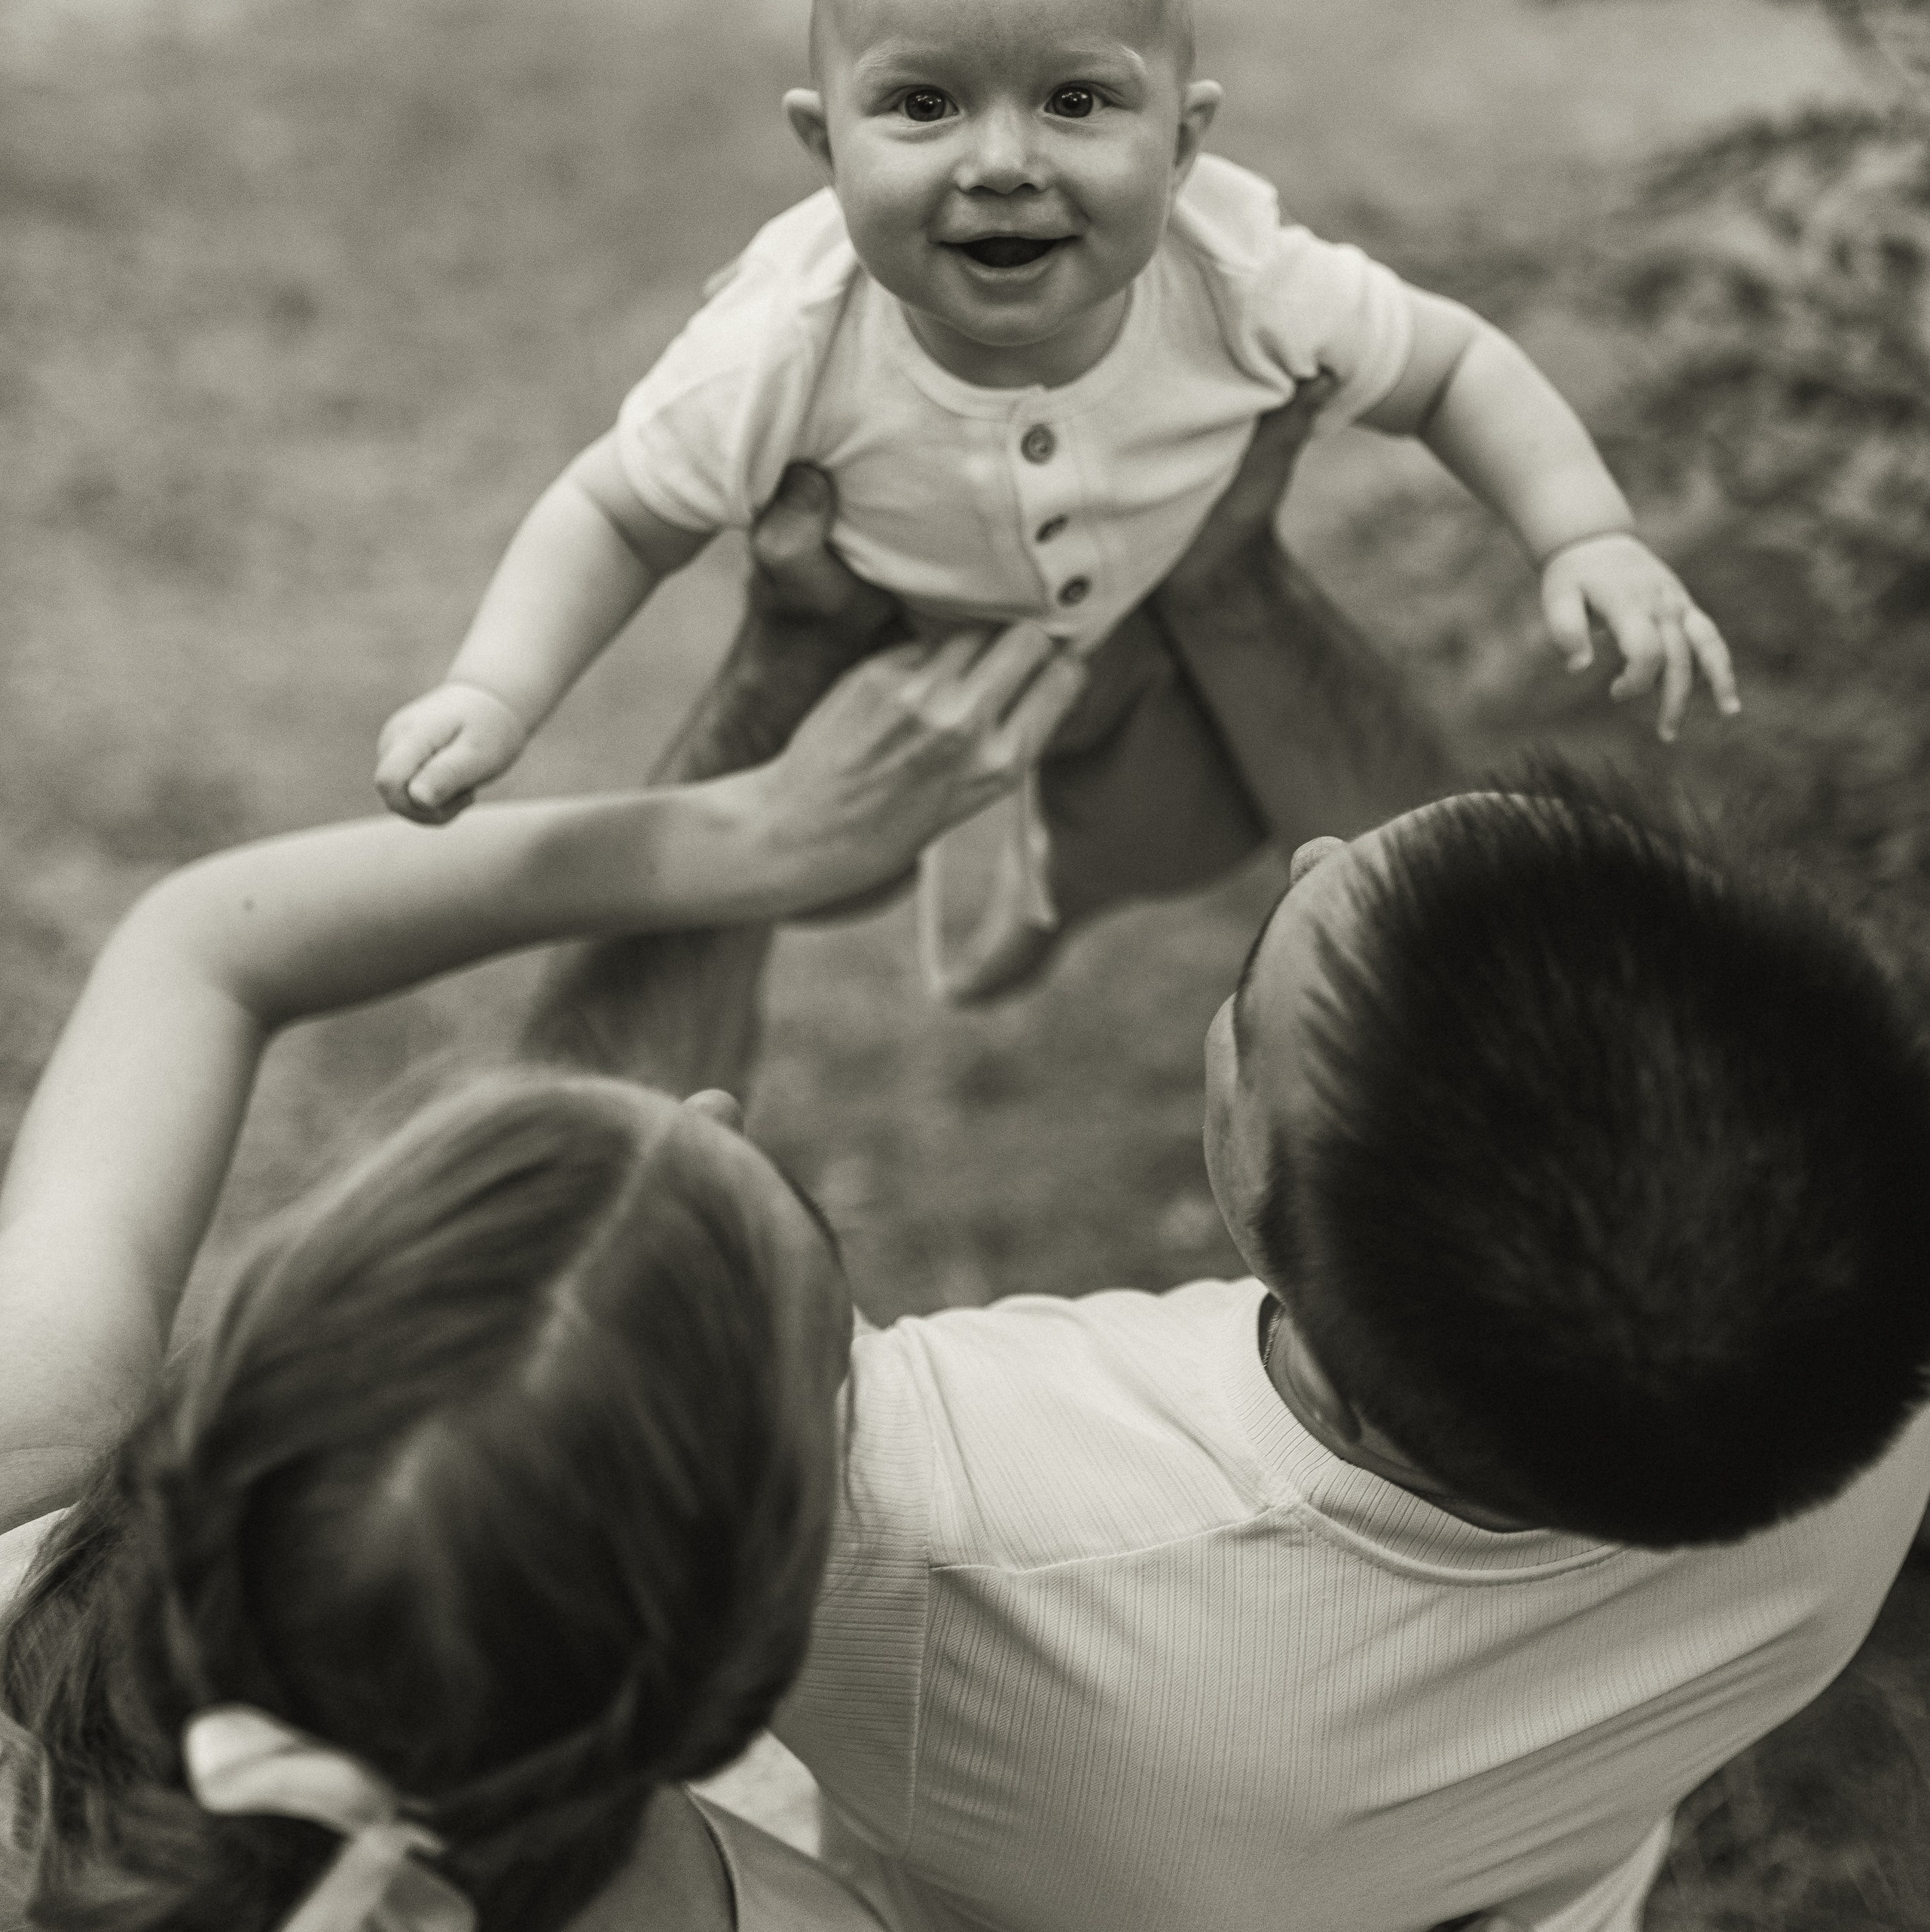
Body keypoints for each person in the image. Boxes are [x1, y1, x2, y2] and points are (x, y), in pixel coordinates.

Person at [0, 622, 1084, 1932]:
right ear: (753, 1668)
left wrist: (760, 826)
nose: (706, 1109)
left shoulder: (30, 1463)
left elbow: (198, 949)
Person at [371, 0, 1739, 1006]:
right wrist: (497, 691)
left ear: (1185, 140)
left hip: (1134, 644)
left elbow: (1449, 364)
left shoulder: (1240, 278)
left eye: (1077, 103)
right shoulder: (784, 344)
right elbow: (613, 512)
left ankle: (1045, 895)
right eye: (922, 105)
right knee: (825, 868)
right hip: (881, 641)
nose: (1003, 162)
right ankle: (923, 878)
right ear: (821, 143)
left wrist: (1585, 531)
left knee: (1175, 833)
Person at [756, 777, 1930, 1932]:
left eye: (1246, 986)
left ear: (1264, 1206)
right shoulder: (1863, 1401)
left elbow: (590, 1269)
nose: (1309, 848)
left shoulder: (947, 1533)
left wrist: (758, 812)